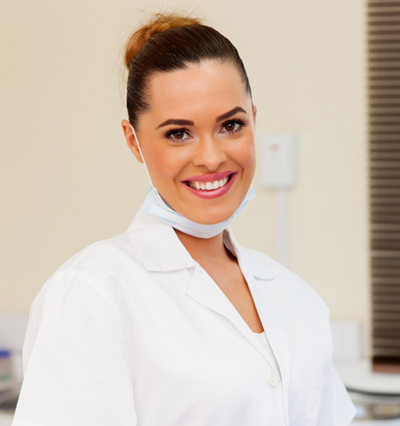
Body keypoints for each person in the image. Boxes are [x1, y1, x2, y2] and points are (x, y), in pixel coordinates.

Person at [12, 12, 356, 426]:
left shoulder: (296, 297)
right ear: (133, 141)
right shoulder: (93, 293)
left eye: (231, 125)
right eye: (178, 133)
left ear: (253, 120)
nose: (211, 157)